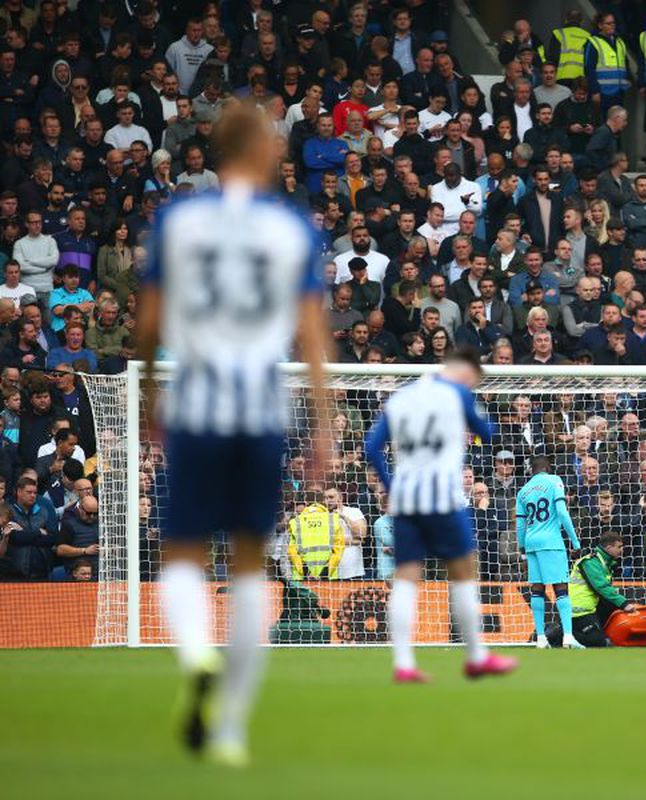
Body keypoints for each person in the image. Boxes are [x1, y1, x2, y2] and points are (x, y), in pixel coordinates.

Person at [134, 102, 331, 765]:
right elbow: (312, 337)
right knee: (250, 564)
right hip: (260, 412)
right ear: (267, 153)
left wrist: (151, 396)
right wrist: (324, 424)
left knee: (183, 554)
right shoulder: (290, 229)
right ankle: (230, 730)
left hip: (196, 407)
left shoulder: (179, 222)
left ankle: (197, 653)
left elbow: (148, 323)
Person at [363, 347, 518, 681]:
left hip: (405, 500)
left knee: (406, 577)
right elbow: (488, 434)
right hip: (442, 498)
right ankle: (476, 656)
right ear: (466, 372)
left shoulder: (400, 398)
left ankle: (403, 664)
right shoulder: (457, 394)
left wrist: (391, 487)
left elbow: (371, 448)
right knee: (464, 571)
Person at [516, 454, 582, 648]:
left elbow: (520, 525)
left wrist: (522, 550)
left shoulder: (523, 491)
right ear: (548, 468)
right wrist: (575, 542)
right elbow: (561, 512)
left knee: (537, 589)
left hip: (531, 542)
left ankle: (541, 638)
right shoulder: (554, 480)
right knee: (561, 587)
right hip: (551, 541)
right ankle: (568, 636)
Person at [567, 531, 638, 647]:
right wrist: (624, 604)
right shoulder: (590, 562)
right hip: (578, 611)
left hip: (590, 608)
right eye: (619, 547)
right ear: (609, 548)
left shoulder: (603, 563)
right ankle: (559, 633)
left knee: (612, 605)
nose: (622, 550)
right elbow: (601, 587)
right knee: (598, 642)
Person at [285, 493, 346, 579]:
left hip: (302, 577)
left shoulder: (295, 522)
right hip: (328, 577)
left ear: (306, 503)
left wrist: (305, 570)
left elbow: (292, 551)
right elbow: (339, 549)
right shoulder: (334, 519)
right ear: (323, 502)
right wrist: (325, 571)